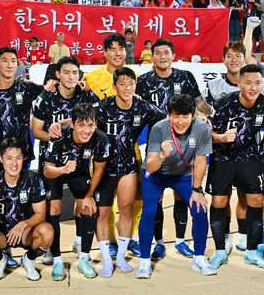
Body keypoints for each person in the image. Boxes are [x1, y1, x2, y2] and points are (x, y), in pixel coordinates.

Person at [31, 56, 100, 280]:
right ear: (57, 75)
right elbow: (36, 131)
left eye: (75, 73)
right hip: (52, 163)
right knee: (53, 209)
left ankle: (82, 250)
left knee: (87, 204)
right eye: (66, 73)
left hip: (79, 163)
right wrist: (55, 138)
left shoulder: (85, 95)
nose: (71, 77)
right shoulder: (46, 96)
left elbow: (96, 122)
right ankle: (55, 253)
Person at [95, 68, 164, 273]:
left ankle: (122, 257)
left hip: (129, 166)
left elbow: (164, 120)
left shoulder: (143, 107)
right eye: (122, 84)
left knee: (126, 210)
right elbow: (80, 119)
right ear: (114, 86)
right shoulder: (102, 106)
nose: (127, 88)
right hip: (104, 167)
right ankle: (107, 260)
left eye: (131, 84)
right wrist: (60, 125)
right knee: (103, 213)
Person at [209, 64, 264, 269]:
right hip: (224, 158)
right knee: (219, 201)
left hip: (251, 157)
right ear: (239, 83)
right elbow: (208, 136)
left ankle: (252, 251)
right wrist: (221, 137)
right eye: (248, 83)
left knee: (256, 200)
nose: (253, 87)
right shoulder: (223, 104)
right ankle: (221, 250)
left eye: (258, 83)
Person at [137, 94, 212, 278]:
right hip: (156, 174)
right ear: (168, 115)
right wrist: (162, 155)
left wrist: (197, 190)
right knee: (148, 211)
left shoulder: (202, 128)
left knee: (200, 209)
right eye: (176, 116)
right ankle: (145, 260)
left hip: (183, 175)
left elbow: (201, 162)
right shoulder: (158, 129)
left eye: (185, 116)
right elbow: (152, 164)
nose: (180, 121)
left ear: (192, 115)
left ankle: (199, 257)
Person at [43, 103, 111, 279]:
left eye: (90, 125)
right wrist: (63, 170)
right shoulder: (58, 137)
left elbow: (99, 170)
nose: (86, 130)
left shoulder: (100, 138)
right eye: (81, 125)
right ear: (72, 124)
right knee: (53, 210)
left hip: (79, 173)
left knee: (88, 208)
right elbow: (47, 170)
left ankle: (83, 258)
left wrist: (89, 196)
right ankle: (57, 259)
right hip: (56, 173)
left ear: (95, 123)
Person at [0, 138, 54, 281]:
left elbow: (41, 214)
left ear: (23, 159)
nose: (14, 163)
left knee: (47, 231)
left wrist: (23, 224)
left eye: (18, 158)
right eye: (9, 158)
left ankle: (29, 260)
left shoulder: (33, 179)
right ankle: (1, 259)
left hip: (25, 232)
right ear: (1, 159)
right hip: (0, 234)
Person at [83, 33, 128, 99]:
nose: (118, 53)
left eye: (121, 49)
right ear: (105, 52)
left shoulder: (132, 74)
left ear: (126, 51)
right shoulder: (91, 77)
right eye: (112, 50)